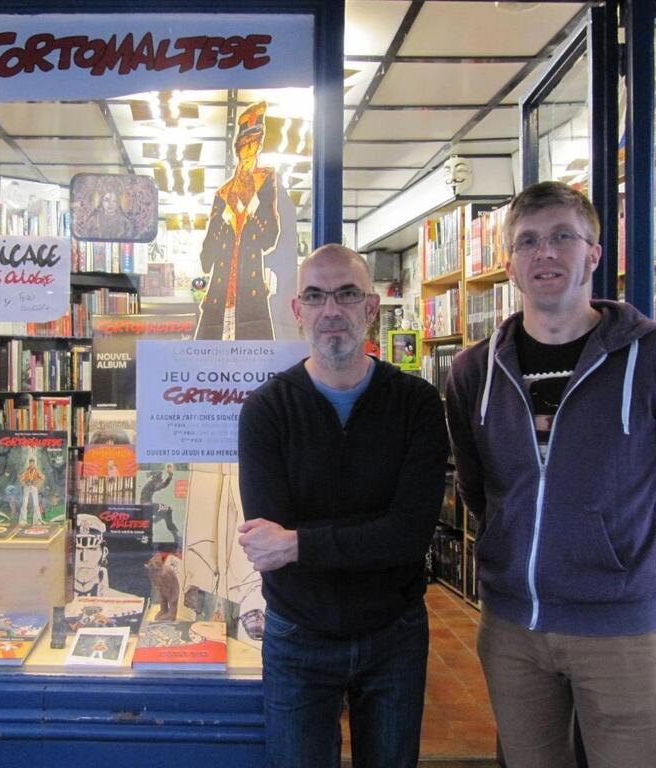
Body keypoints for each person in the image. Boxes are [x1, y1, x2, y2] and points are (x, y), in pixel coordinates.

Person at [444, 181, 656, 768]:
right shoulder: (474, 371)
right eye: (527, 242)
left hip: (621, 632)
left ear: (595, 253)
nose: (545, 253)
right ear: (510, 264)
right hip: (513, 629)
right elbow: (478, 488)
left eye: (562, 237)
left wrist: (635, 567)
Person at [237, 244, 449, 768]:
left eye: (347, 294)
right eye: (315, 296)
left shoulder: (417, 405)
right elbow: (267, 546)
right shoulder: (266, 410)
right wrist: (357, 539)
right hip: (297, 635)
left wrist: (298, 543)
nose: (331, 309)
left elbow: (409, 536)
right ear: (297, 310)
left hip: (393, 635)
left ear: (371, 307)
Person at [195, 101, 282, 341]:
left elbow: (270, 238)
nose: (250, 150)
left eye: (255, 144)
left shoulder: (265, 180)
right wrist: (226, 213)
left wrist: (251, 202)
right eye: (245, 145)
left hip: (250, 298)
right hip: (220, 297)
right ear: (238, 149)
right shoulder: (223, 193)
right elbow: (206, 258)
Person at [18, 456, 45, 525]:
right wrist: (24, 483)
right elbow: (20, 478)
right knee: (24, 503)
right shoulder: (26, 470)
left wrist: (37, 483)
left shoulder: (36, 470)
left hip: (34, 487)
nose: (31, 465)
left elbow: (43, 477)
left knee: (36, 504)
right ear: (29, 463)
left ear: (34, 464)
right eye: (30, 463)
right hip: (27, 487)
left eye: (32, 463)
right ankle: (23, 520)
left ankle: (37, 520)